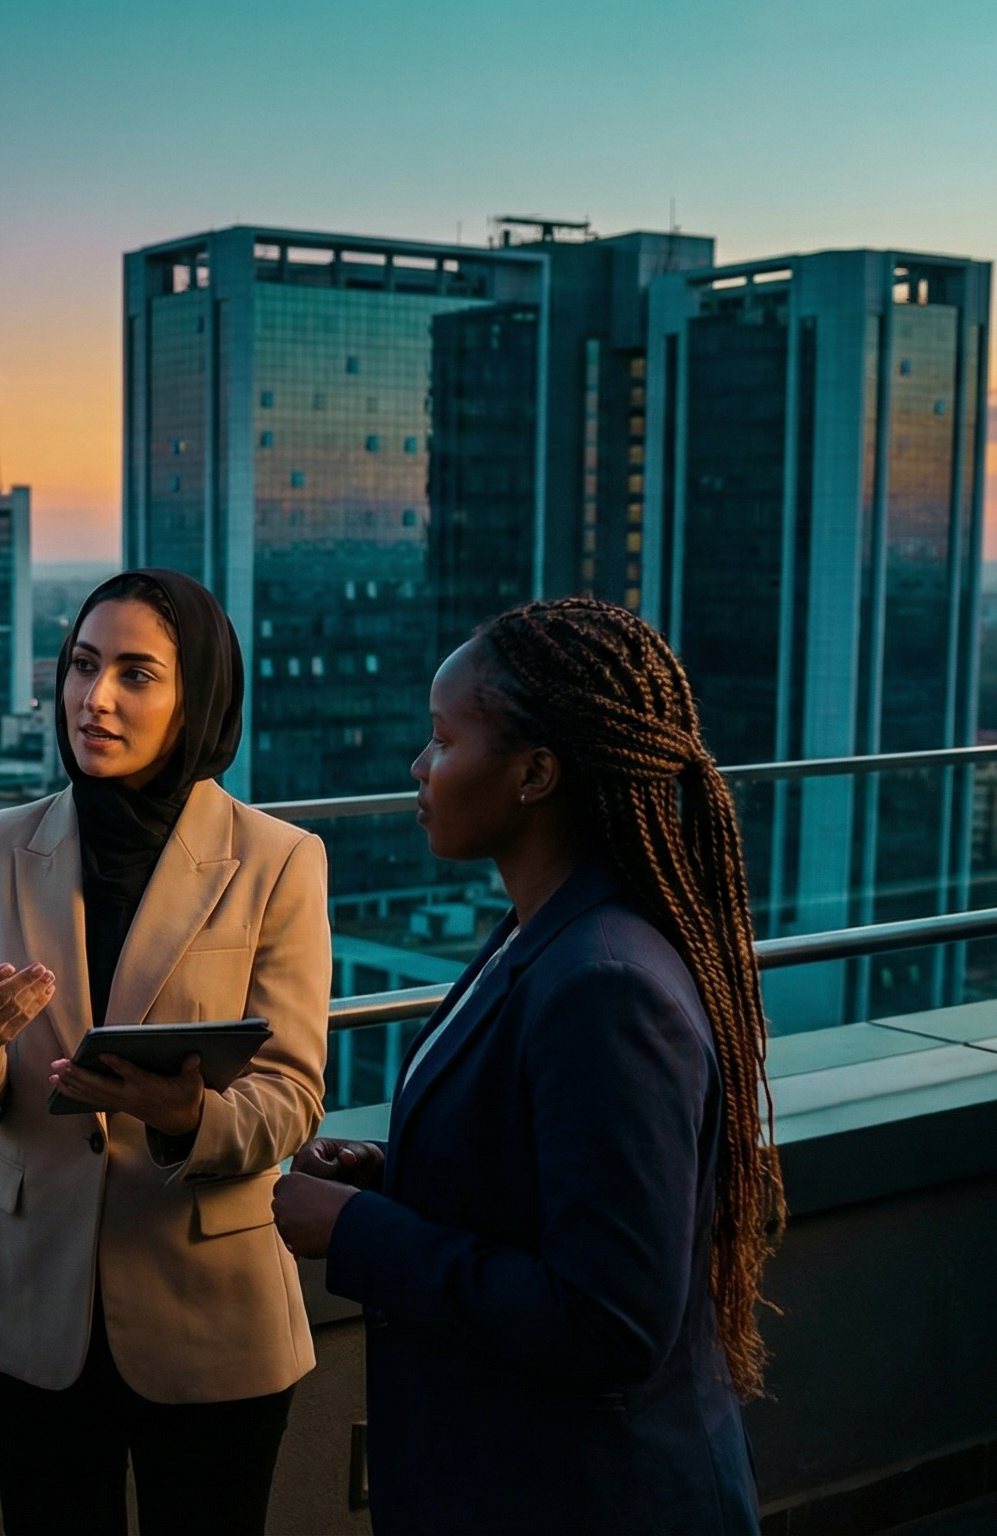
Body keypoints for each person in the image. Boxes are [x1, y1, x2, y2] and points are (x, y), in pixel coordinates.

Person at [271, 596, 780, 1535]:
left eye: (442, 740)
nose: (419, 767)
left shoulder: (605, 984)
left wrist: (359, 1235)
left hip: (590, 1498)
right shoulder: (542, 932)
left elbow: (606, 1319)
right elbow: (545, 1179)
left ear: (536, 773)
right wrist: (396, 1181)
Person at [0, 569, 331, 1536]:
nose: (93, 699)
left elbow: (294, 1095)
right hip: (30, 1298)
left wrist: (187, 1117)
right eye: (81, 664)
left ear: (197, 699)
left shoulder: (276, 860)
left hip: (207, 1304)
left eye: (136, 674)